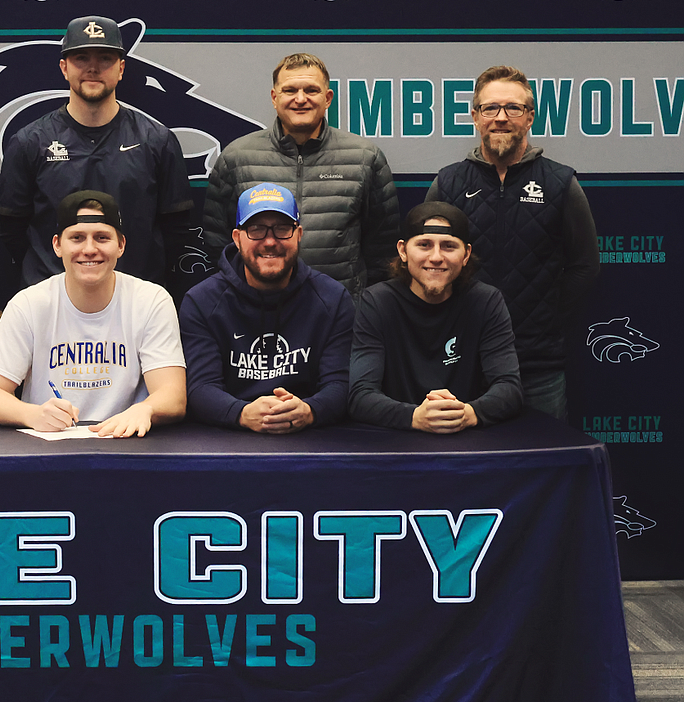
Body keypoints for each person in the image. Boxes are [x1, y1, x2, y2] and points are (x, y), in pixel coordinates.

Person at [425, 65, 599, 420]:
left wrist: (544, 315)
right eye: (490, 108)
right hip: (463, 360)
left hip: (537, 365)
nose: (500, 118)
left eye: (513, 108)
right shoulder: (448, 184)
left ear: (530, 116)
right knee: (464, 469)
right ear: (475, 116)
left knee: (545, 467)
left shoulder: (560, 183)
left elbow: (584, 266)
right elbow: (426, 265)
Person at [0, 15, 205, 299]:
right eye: (81, 58)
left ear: (121, 69)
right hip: (50, 300)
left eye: (105, 58)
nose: (93, 68)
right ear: (64, 68)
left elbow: (175, 230)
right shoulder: (29, 142)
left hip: (133, 301)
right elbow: (13, 231)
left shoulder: (157, 140)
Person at [0, 190, 186, 437]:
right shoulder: (30, 304)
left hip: (126, 445)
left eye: (102, 237)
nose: (90, 249)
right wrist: (32, 414)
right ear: (57, 245)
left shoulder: (151, 300)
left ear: (121, 245)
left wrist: (146, 409)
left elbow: (173, 396)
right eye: (77, 237)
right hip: (49, 448)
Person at [202, 53, 400, 298]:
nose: (300, 99)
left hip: (340, 311)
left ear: (327, 98)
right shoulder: (237, 158)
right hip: (255, 309)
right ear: (275, 98)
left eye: (311, 90)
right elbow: (218, 240)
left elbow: (382, 247)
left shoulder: (365, 158)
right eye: (290, 90)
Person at [180, 183, 353, 433]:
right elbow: (200, 388)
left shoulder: (333, 298)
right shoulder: (202, 300)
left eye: (282, 229)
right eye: (257, 230)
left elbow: (340, 383)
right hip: (226, 438)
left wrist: (310, 410)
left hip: (313, 438)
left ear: (299, 234)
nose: (270, 241)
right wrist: (240, 413)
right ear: (237, 238)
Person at [349, 201, 523, 433]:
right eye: (424, 245)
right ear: (402, 251)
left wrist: (467, 414)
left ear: (466, 254)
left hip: (469, 444)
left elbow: (509, 388)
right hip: (397, 443)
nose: (436, 257)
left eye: (449, 246)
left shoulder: (486, 301)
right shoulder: (377, 302)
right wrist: (414, 417)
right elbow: (360, 395)